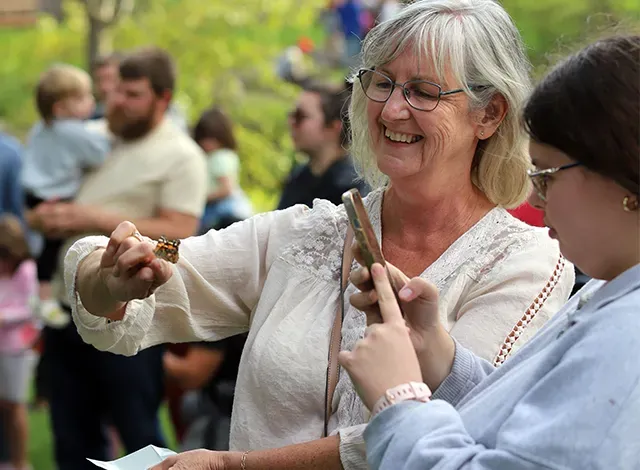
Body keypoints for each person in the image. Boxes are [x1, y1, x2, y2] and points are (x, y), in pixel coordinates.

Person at [66, 1, 575, 469]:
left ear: (489, 114)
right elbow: (176, 255)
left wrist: (232, 466)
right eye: (381, 82)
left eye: (423, 92)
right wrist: (115, 270)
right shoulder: (311, 229)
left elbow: (443, 426)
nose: (393, 109)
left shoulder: (525, 261)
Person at [339, 34, 640, 470]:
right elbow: (525, 418)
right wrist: (437, 357)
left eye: (549, 175)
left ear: (623, 176)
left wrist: (398, 401)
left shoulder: (628, 338)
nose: (536, 199)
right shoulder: (610, 293)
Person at [30, 47, 207, 470]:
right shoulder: (96, 136)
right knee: (70, 437)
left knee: (138, 438)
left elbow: (182, 236)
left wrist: (89, 217)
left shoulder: (181, 155)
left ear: (162, 99)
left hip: (129, 319)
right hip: (66, 311)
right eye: (115, 92)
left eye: (132, 94)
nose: (117, 102)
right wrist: (42, 214)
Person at [22, 63, 111, 326]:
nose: (91, 101)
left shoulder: (41, 128)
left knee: (42, 249)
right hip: (56, 196)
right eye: (82, 97)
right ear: (60, 108)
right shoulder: (73, 131)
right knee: (54, 250)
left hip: (34, 194)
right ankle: (44, 298)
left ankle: (40, 294)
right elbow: (100, 152)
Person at [278, 80, 367, 209]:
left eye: (300, 116)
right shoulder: (300, 177)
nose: (291, 122)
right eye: (291, 115)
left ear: (334, 127)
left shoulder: (353, 188)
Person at [0, 215, 39, 470]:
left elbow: (31, 309)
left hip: (15, 347)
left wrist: (3, 317)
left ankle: (20, 462)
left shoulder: (26, 270)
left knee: (15, 407)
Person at [193, 108, 252, 234]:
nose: (206, 144)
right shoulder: (226, 155)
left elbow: (226, 188)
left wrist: (202, 198)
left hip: (222, 211)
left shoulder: (219, 157)